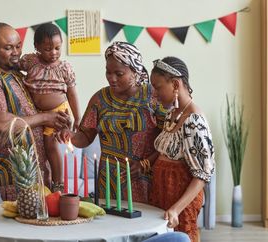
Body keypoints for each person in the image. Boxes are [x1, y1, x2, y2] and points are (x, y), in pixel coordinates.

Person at [0, 22, 71, 201]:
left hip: (37, 166)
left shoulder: (17, 74)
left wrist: (60, 118)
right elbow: (0, 123)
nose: (16, 52)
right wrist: (46, 117)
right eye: (8, 48)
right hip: (15, 171)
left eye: (18, 46)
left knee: (45, 224)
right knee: (23, 226)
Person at [57, 41, 165, 203]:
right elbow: (85, 137)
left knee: (145, 225)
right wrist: (69, 136)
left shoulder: (153, 96)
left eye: (119, 74)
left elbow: (169, 139)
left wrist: (145, 164)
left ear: (135, 71)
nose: (112, 79)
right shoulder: (100, 99)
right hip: (108, 182)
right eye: (108, 72)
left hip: (145, 180)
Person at [149, 57, 215, 242]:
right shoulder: (172, 113)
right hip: (162, 195)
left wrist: (176, 208)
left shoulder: (194, 120)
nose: (154, 94)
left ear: (176, 84)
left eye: (158, 87)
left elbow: (202, 175)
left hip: (179, 202)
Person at [20, 23, 81, 192]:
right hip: (34, 113)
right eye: (47, 49)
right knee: (36, 149)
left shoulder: (64, 68)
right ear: (37, 47)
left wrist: (78, 117)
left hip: (57, 112)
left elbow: (72, 93)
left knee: (50, 146)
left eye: (57, 48)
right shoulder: (31, 61)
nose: (53, 53)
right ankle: (37, 183)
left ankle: (58, 182)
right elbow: (13, 67)